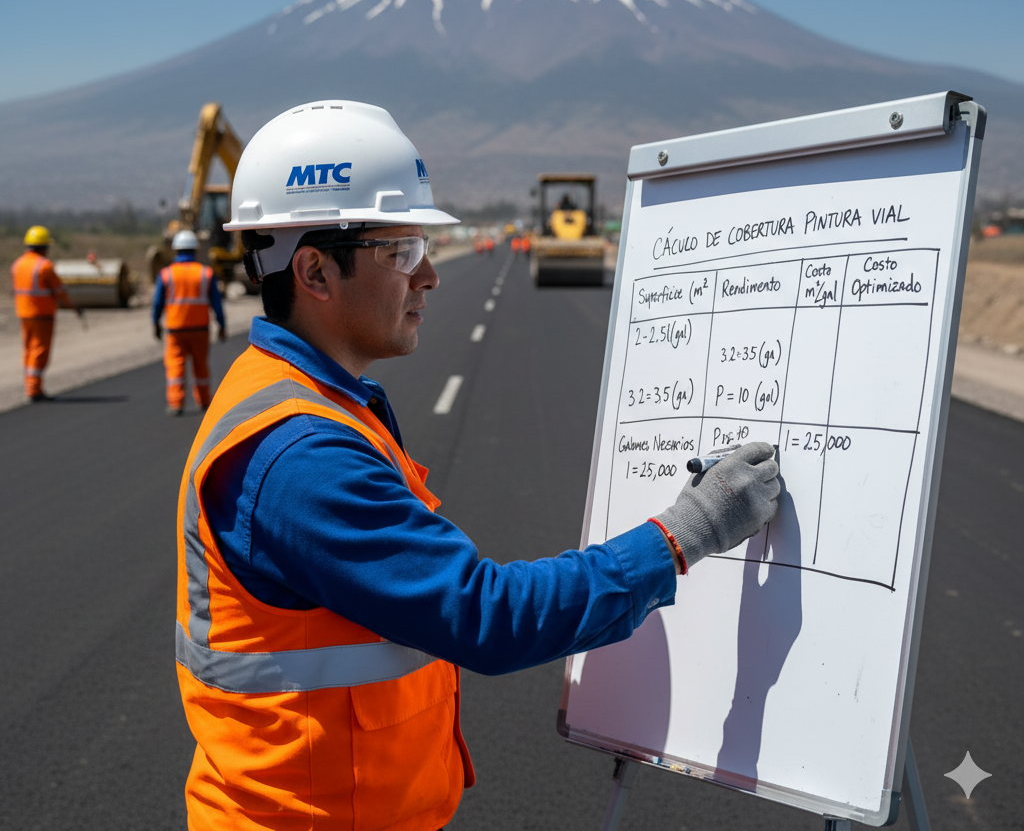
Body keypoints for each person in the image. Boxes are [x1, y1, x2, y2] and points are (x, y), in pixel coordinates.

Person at [174, 100, 781, 831]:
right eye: (401, 251)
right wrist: (689, 531)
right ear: (314, 271)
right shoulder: (301, 454)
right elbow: (485, 615)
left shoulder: (300, 397)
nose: (428, 275)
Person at [153, 229, 226, 416]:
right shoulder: (205, 273)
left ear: (176, 250)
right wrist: (222, 325)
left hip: (175, 329)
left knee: (175, 365)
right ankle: (203, 401)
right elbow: (216, 303)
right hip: (201, 328)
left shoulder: (166, 274)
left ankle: (176, 404)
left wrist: (155, 323)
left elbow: (157, 303)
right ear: (195, 250)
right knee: (201, 365)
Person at [10, 225, 83, 402]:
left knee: (28, 349)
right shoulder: (44, 266)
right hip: (42, 315)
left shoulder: (17, 264)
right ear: (44, 247)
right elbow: (59, 291)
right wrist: (73, 308)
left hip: (23, 314)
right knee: (39, 350)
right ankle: (34, 390)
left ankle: (30, 385)